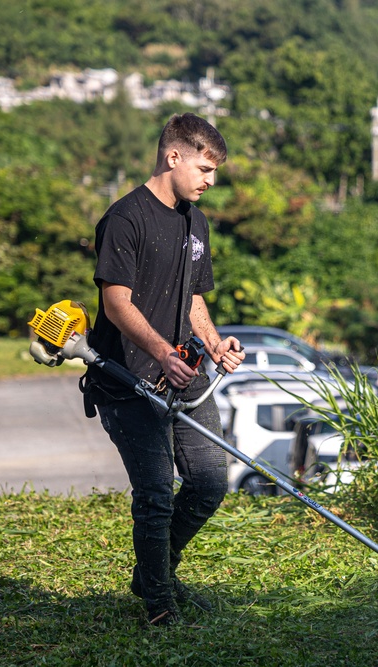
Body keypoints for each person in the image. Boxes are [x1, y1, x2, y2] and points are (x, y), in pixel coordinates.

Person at [82, 112, 245, 626]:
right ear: (173, 156)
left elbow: (193, 294)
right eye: (204, 168)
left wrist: (215, 346)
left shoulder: (196, 221)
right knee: (155, 494)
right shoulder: (125, 218)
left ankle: (156, 571)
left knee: (208, 483)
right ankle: (159, 604)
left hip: (184, 372)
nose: (210, 181)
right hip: (128, 377)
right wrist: (162, 354)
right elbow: (116, 303)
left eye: (213, 171)